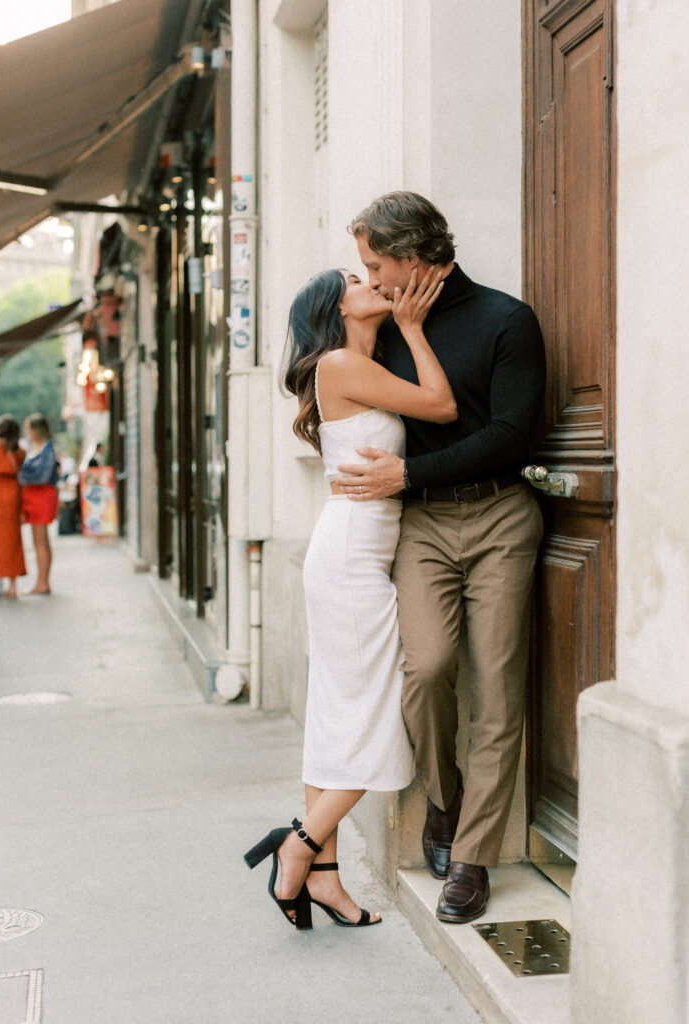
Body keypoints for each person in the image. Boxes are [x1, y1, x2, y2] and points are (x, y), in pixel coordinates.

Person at [335, 191, 546, 924]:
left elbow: (512, 436)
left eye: (373, 264)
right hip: (421, 525)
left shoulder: (506, 320)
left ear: (413, 257)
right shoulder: (381, 327)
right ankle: (443, 798)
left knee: (494, 683)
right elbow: (345, 406)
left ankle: (472, 855)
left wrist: (411, 473)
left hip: (499, 517)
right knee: (423, 669)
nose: (365, 277)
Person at [245, 264, 455, 930]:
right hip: (351, 561)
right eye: (356, 280)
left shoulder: (358, 360)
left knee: (338, 719)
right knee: (374, 715)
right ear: (335, 308)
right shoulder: (339, 362)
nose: (372, 282)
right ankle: (299, 846)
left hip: (357, 553)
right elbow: (442, 406)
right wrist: (416, 329)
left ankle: (327, 880)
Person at [19, 413, 59, 596]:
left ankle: (42, 582)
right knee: (41, 541)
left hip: (41, 496)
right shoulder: (36, 448)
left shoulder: (47, 449)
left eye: (29, 429)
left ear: (36, 430)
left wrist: (20, 476)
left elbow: (42, 476)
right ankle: (43, 581)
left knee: (40, 541)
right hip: (35, 496)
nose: (27, 433)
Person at [0, 414, 27, 598]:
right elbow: (20, 475)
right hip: (12, 495)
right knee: (12, 540)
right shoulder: (19, 451)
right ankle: (12, 586)